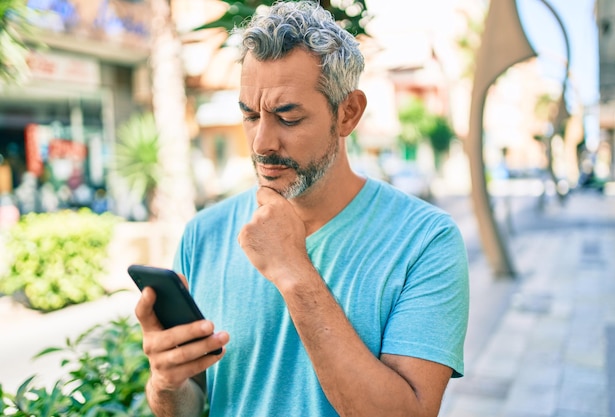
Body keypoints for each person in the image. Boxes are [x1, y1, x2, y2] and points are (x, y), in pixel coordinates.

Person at [134, 1, 469, 416]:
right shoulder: (203, 234)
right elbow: (194, 404)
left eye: (287, 118)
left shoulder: (425, 240)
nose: (260, 143)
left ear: (348, 113)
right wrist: (167, 383)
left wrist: (293, 270)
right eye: (250, 115)